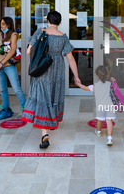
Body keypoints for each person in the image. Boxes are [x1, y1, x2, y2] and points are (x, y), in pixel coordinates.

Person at [21, 11, 80, 149]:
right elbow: (70, 58)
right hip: (57, 69)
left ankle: (44, 134)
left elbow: (29, 51)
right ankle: (50, 123)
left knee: (43, 97)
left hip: (42, 68)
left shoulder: (40, 32)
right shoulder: (63, 37)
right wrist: (76, 76)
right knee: (53, 94)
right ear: (59, 23)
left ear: (47, 21)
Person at [75, 65, 116, 146]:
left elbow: (86, 88)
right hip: (110, 106)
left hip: (100, 107)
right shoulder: (110, 84)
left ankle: (99, 131)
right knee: (109, 121)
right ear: (106, 75)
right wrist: (113, 80)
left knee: (99, 120)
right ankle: (110, 138)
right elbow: (116, 87)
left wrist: (79, 84)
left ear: (97, 76)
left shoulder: (95, 86)